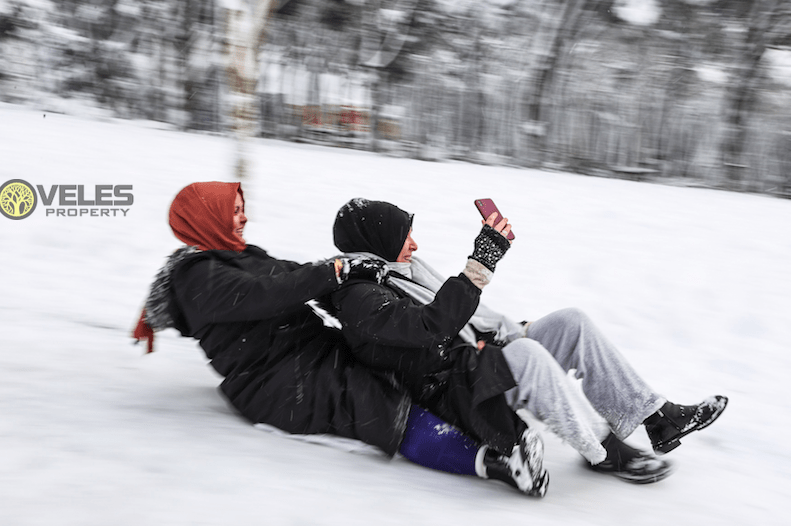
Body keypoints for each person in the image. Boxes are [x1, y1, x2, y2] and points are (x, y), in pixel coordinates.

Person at [133, 182, 548, 497]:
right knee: (375, 402)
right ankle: (490, 463)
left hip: (307, 352)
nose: (243, 218)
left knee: (397, 364)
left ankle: (494, 426)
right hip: (275, 383)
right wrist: (335, 272)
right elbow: (266, 295)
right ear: (207, 220)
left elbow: (295, 276)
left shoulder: (239, 254)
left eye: (241, 209)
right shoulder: (198, 277)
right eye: (235, 212)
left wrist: (357, 287)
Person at [328, 198, 728, 485]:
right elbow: (430, 327)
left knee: (571, 322)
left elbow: (466, 317)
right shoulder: (360, 296)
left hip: (476, 356)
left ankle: (657, 418)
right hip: (454, 387)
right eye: (404, 236)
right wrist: (479, 267)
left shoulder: (404, 267)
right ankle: (604, 451)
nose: (414, 244)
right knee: (527, 354)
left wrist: (514, 329)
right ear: (375, 240)